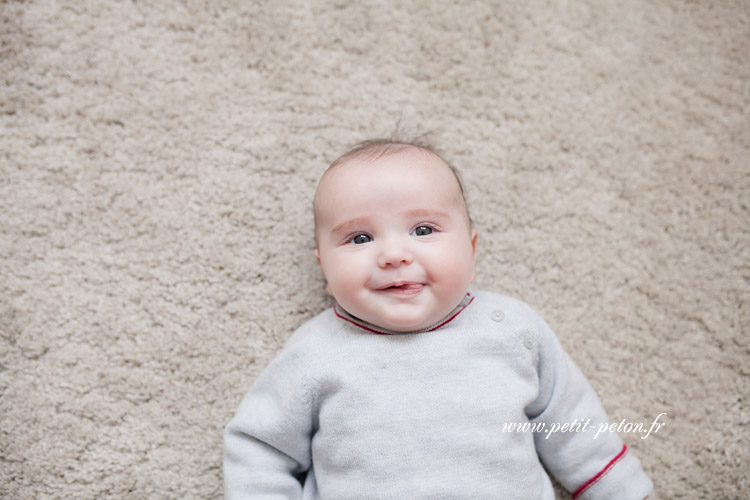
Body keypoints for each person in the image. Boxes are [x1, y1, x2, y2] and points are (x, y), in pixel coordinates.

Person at [224, 139, 654, 499]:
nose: (394, 255)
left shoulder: (510, 329)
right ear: (324, 267)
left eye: (424, 230)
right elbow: (259, 448)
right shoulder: (315, 352)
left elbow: (574, 425)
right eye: (359, 237)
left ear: (471, 246)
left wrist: (620, 489)